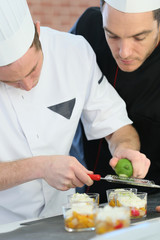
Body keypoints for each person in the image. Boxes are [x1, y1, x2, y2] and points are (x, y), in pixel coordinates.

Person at [0, 0, 150, 224]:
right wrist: (41, 167)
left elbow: (116, 125)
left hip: (63, 219)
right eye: (12, 82)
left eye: (33, 70)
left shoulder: (74, 52)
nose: (29, 85)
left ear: (38, 32)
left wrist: (125, 149)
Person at [70, 0, 160, 202]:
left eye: (139, 37)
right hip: (87, 187)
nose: (124, 52)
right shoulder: (87, 27)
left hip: (154, 197)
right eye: (112, 35)